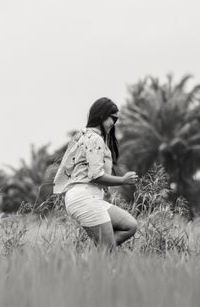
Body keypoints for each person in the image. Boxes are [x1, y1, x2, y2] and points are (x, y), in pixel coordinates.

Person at [52, 97, 139, 251]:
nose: (114, 123)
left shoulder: (84, 135)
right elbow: (96, 176)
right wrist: (123, 180)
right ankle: (89, 262)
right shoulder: (95, 139)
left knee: (129, 225)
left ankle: (91, 256)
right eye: (113, 118)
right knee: (108, 251)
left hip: (85, 196)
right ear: (101, 115)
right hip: (85, 197)